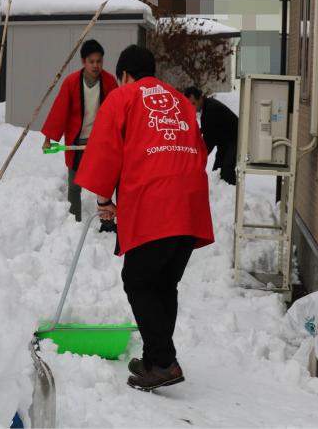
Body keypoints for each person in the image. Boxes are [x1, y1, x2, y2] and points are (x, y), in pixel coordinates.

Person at [75, 45, 214, 391]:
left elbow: (106, 149)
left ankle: (165, 363)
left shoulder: (123, 98)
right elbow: (198, 149)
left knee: (137, 280)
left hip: (155, 203)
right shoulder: (182, 102)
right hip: (189, 203)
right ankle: (155, 357)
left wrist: (105, 199)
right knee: (164, 283)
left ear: (124, 74)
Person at [41, 39, 118, 232]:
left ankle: (107, 222)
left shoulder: (109, 82)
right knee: (75, 184)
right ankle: (73, 224)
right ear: (84, 61)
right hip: (77, 142)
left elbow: (119, 111)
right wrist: (49, 138)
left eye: (99, 61)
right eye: (92, 61)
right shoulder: (71, 83)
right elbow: (59, 111)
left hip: (101, 141)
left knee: (104, 184)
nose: (96, 65)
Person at [183, 86, 238, 185]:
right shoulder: (207, 107)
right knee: (217, 171)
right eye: (189, 104)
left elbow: (209, 140)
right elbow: (209, 130)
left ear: (200, 98)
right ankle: (222, 195)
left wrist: (198, 157)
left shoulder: (210, 110)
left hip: (235, 140)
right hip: (224, 142)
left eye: (193, 103)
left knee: (226, 173)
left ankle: (232, 196)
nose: (192, 107)